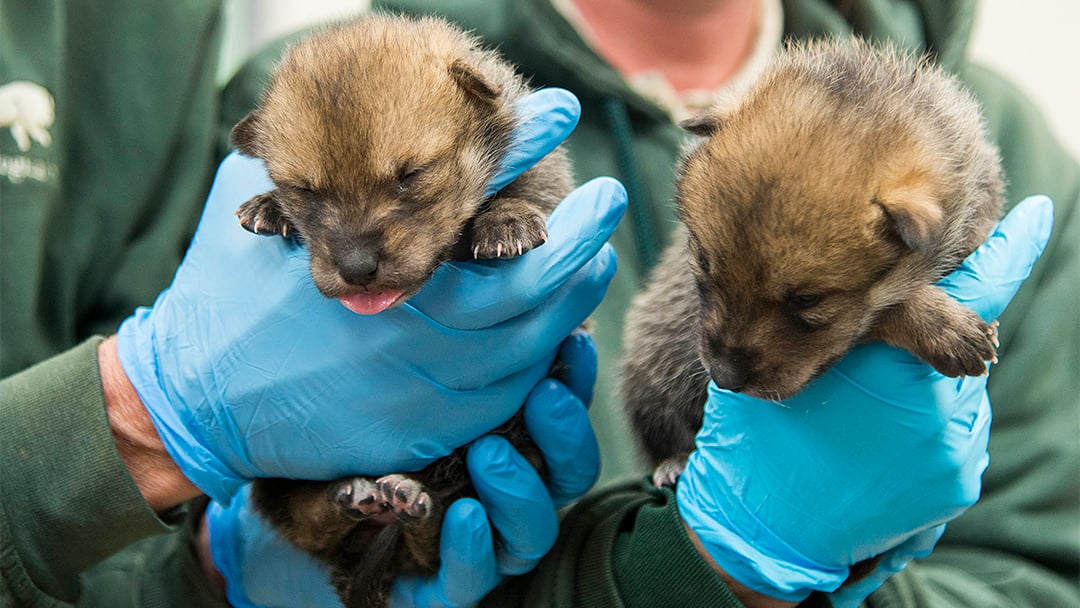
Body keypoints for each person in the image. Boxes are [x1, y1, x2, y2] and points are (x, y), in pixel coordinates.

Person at [1, 2, 1075, 608]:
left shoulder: (1007, 152)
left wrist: (752, 575)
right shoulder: (320, 94)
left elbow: (1037, 571)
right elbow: (109, 566)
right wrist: (206, 549)